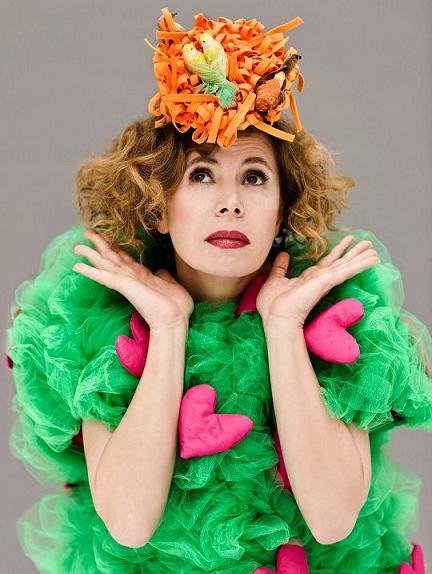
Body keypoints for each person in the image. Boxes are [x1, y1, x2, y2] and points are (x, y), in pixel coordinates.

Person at [5, 7, 432, 573]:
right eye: (201, 175)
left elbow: (333, 519)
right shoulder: (98, 320)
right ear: (159, 206)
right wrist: (167, 327)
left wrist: (284, 328)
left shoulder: (334, 315)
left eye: (254, 177)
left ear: (282, 209)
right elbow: (128, 524)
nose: (230, 203)